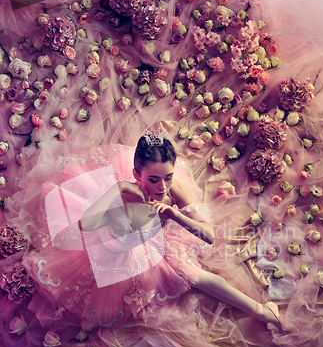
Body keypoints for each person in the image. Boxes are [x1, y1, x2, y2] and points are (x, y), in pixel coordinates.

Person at [79, 132, 284, 331]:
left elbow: (209, 236)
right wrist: (118, 187)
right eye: (153, 179)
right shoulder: (126, 195)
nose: (162, 187)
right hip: (115, 246)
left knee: (196, 276)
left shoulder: (173, 190)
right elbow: (85, 225)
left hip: (156, 242)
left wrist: (176, 216)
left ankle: (263, 311)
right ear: (136, 175)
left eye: (168, 177)